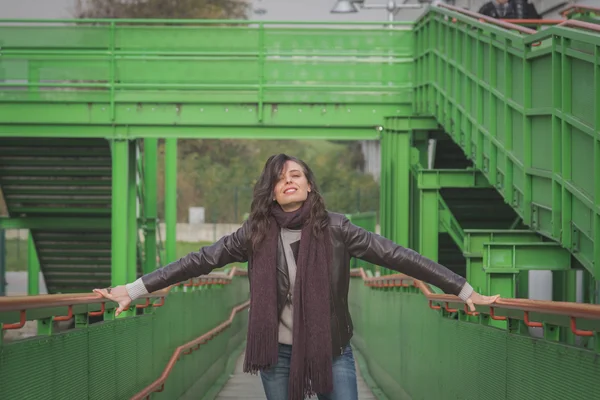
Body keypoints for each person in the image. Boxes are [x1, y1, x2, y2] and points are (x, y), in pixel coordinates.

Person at [94, 154, 500, 400]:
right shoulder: (253, 233)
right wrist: (134, 289)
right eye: (279, 177)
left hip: (333, 348)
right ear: (271, 192)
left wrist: (462, 288)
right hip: (277, 353)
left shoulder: (338, 228)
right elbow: (200, 260)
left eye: (295, 175)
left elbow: (397, 256)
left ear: (309, 186)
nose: (287, 181)